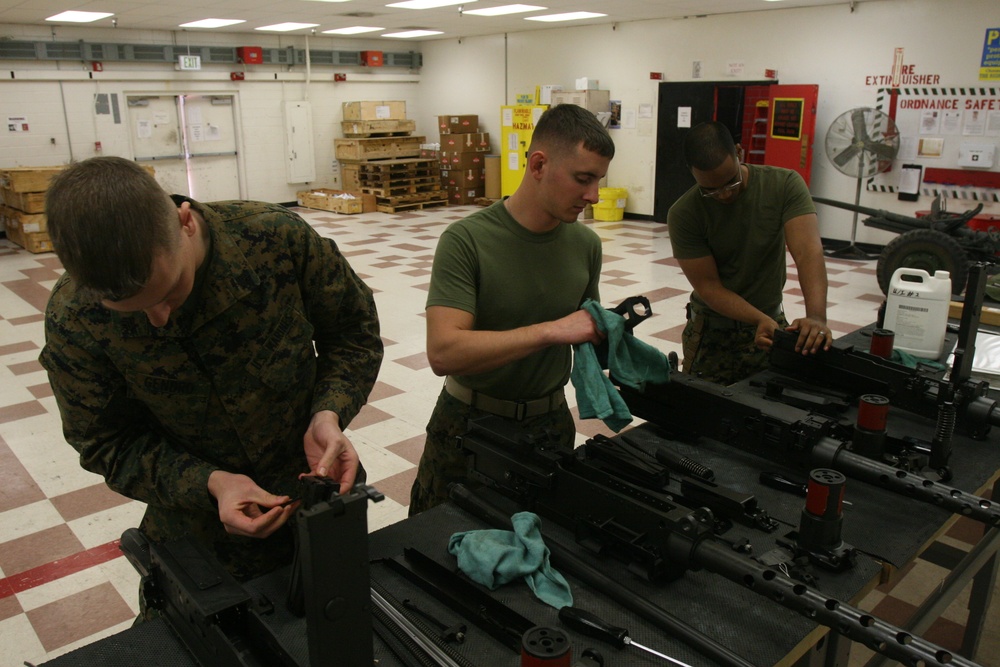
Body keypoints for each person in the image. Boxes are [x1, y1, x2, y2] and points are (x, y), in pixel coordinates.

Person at [39, 157, 383, 592]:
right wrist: (211, 483)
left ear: (184, 222)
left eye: (168, 291)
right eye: (135, 311)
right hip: (199, 531)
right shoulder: (74, 317)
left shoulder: (274, 238)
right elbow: (106, 442)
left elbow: (353, 333)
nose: (159, 318)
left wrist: (328, 413)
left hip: (320, 493)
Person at [409, 104, 615, 515]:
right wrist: (551, 331)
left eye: (598, 181)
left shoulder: (585, 245)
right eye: (583, 179)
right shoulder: (466, 241)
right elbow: (444, 352)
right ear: (538, 164)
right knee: (434, 544)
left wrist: (618, 343)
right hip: (469, 425)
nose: (593, 196)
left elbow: (586, 333)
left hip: (551, 426)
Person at [667, 121, 831, 386]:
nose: (723, 195)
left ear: (739, 153)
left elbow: (808, 252)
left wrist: (816, 317)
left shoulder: (784, 184)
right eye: (710, 190)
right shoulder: (684, 214)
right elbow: (709, 286)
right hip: (711, 335)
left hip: (770, 328)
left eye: (730, 182)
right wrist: (757, 318)